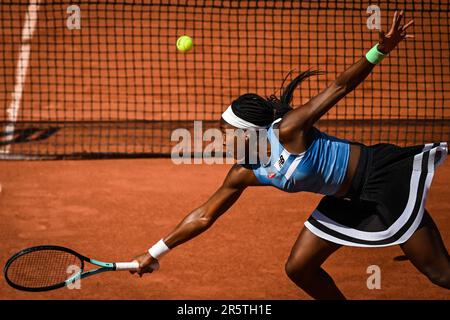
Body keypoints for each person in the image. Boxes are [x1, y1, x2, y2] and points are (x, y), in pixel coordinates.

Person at [131, 11, 449, 299]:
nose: (222, 141)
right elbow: (204, 215)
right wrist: (155, 251)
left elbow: (339, 86)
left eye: (226, 132)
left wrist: (381, 49)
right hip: (344, 200)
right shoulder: (244, 172)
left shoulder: (289, 129)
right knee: (299, 268)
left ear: (250, 132)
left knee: (439, 273)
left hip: (380, 178)